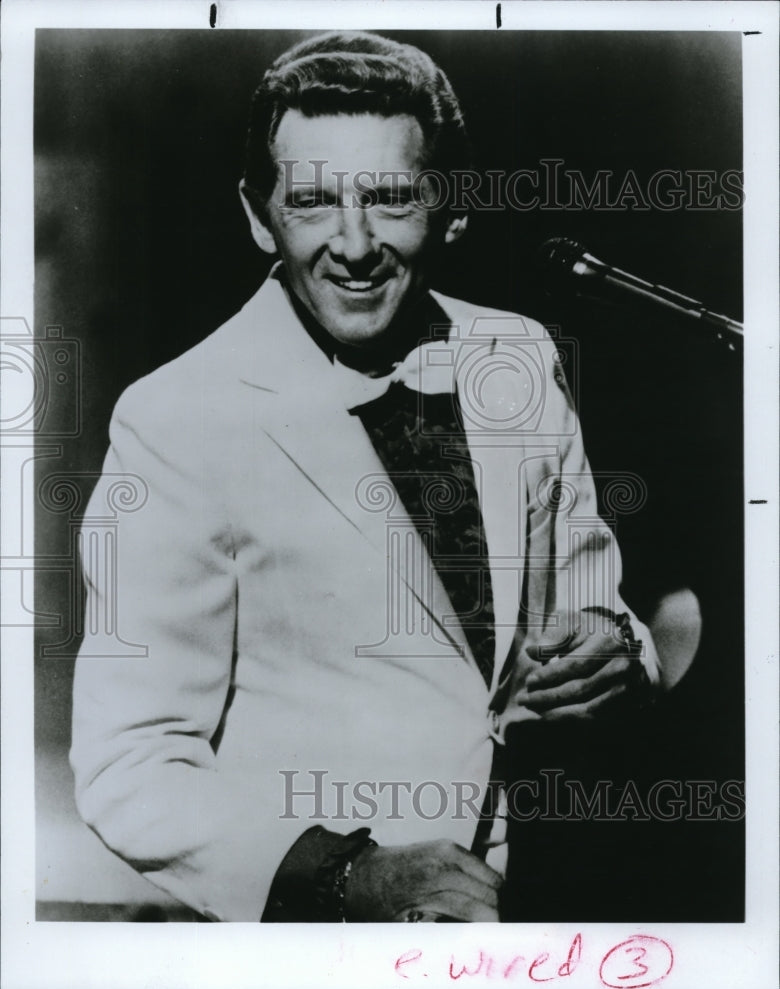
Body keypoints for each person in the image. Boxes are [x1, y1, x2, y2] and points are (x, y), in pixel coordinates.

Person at [70, 31, 661, 923]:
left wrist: (618, 648)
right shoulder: (175, 416)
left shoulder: (520, 354)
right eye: (312, 201)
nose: (354, 244)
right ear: (259, 214)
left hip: (544, 911)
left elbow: (591, 611)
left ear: (450, 207)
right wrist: (344, 877)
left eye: (389, 197)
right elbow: (130, 762)